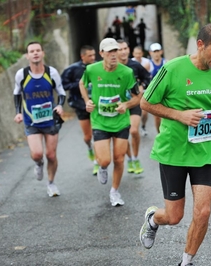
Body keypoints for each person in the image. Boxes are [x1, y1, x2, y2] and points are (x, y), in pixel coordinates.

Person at [139, 22, 211, 266]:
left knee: (203, 212)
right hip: (174, 151)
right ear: (200, 45)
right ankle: (152, 219)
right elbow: (146, 104)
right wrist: (180, 115)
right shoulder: (172, 68)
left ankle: (186, 261)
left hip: (205, 150)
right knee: (174, 216)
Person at [79, 38, 140, 207]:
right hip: (100, 121)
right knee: (105, 160)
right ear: (101, 54)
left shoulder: (127, 72)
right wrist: (87, 101)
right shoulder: (92, 69)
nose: (114, 54)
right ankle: (103, 167)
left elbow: (138, 97)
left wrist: (126, 104)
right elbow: (82, 84)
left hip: (121, 121)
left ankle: (114, 191)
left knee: (119, 159)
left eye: (116, 51)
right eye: (110, 52)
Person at [13, 41, 66, 197]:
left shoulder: (51, 73)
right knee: (37, 154)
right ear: (27, 55)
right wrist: (18, 112)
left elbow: (61, 92)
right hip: (31, 120)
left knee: (51, 154)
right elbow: (16, 94)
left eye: (38, 50)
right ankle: (38, 164)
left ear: (43, 53)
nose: (35, 53)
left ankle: (51, 183)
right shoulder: (21, 75)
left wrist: (60, 105)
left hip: (50, 120)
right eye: (32, 51)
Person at [61, 45, 99, 175]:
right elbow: (64, 85)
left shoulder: (98, 67)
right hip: (80, 105)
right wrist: (79, 84)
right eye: (90, 56)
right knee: (88, 137)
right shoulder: (72, 69)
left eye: (94, 55)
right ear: (82, 56)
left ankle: (96, 163)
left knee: (97, 135)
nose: (93, 58)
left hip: (96, 106)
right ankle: (89, 147)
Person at [116, 39, 151, 174]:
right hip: (118, 106)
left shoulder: (135, 65)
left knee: (134, 131)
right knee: (124, 134)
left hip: (134, 102)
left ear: (128, 49)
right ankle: (130, 159)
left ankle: (135, 157)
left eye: (125, 48)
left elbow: (148, 78)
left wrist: (143, 87)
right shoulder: (112, 67)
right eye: (120, 49)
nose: (123, 51)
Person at [141, 42, 167, 135]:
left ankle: (159, 134)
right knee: (144, 114)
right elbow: (141, 77)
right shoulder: (148, 65)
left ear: (161, 52)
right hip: (150, 92)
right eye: (154, 51)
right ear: (150, 53)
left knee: (158, 116)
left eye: (157, 51)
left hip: (163, 92)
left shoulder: (166, 63)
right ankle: (143, 125)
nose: (156, 53)